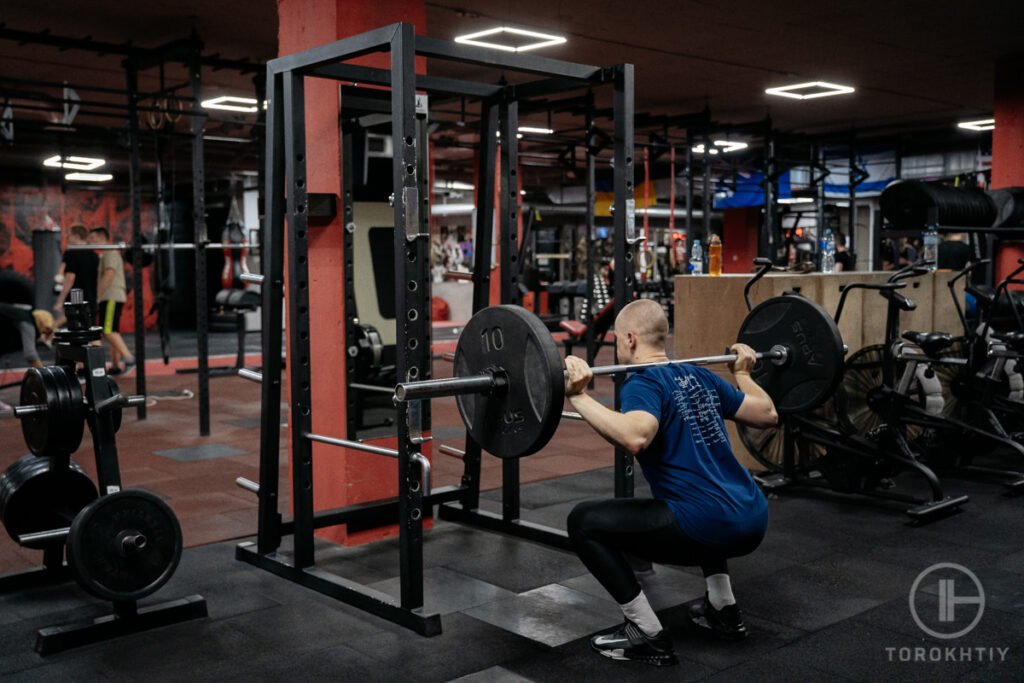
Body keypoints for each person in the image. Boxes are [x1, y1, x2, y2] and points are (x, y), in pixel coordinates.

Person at [563, 298, 777, 666]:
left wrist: (578, 396)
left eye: (616, 339)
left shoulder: (642, 384)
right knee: (702, 497)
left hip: (709, 524)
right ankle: (723, 610)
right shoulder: (701, 375)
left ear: (629, 339)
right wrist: (743, 373)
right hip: (754, 515)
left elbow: (635, 437)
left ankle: (646, 631)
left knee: (583, 522)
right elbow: (767, 413)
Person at [87, 227, 135, 375]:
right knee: (112, 330)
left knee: (107, 331)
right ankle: (115, 365)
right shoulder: (106, 254)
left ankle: (129, 359)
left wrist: (97, 295)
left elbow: (109, 274)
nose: (90, 241)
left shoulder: (109, 252)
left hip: (111, 296)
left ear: (102, 238)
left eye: (93, 238)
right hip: (111, 296)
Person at [54, 224, 99, 327]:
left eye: (69, 235)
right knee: (91, 332)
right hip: (90, 300)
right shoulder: (94, 255)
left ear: (76, 236)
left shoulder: (72, 253)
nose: (67, 238)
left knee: (75, 334)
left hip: (75, 300)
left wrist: (60, 301)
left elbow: (70, 278)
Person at [0, 304, 54, 368]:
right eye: (44, 331)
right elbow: (30, 355)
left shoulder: (20, 315)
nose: (42, 334)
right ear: (41, 323)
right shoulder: (26, 320)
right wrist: (44, 374)